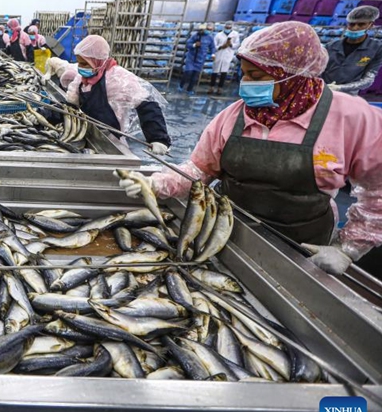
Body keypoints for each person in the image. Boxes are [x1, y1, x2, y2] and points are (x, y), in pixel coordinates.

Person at [120, 22, 382, 277]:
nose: (245, 83)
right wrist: (156, 183)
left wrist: (347, 248)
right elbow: (199, 170)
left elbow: (377, 192)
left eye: (256, 76)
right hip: (225, 232)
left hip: (302, 245)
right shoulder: (232, 117)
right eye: (243, 73)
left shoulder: (351, 117)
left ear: (292, 75)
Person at [65, 35, 172, 154]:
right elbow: (70, 107)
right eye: (79, 63)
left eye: (84, 64)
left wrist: (158, 138)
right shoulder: (82, 79)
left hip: (113, 143)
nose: (80, 67)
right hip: (87, 135)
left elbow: (147, 105)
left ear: (97, 60)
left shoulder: (119, 78)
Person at [322, 5, 382, 96]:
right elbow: (318, 71)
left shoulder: (376, 48)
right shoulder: (331, 46)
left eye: (361, 24)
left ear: (371, 25)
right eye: (352, 24)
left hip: (349, 97)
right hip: (323, 92)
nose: (355, 28)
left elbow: (368, 79)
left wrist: (340, 88)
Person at [179, 23, 215, 95]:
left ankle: (190, 89)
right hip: (191, 57)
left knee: (195, 75)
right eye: (207, 29)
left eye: (210, 30)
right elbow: (188, 44)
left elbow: (212, 47)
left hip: (201, 58)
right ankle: (181, 85)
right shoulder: (196, 36)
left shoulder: (210, 38)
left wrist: (213, 54)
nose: (209, 31)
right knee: (188, 72)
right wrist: (194, 45)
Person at [209, 21, 240, 95]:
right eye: (227, 27)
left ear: (231, 27)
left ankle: (220, 88)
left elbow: (237, 44)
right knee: (215, 72)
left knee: (224, 72)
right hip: (219, 54)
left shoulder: (235, 34)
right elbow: (214, 45)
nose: (228, 28)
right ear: (224, 27)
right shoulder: (219, 35)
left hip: (228, 55)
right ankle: (211, 87)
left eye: (229, 27)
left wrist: (230, 44)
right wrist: (221, 47)